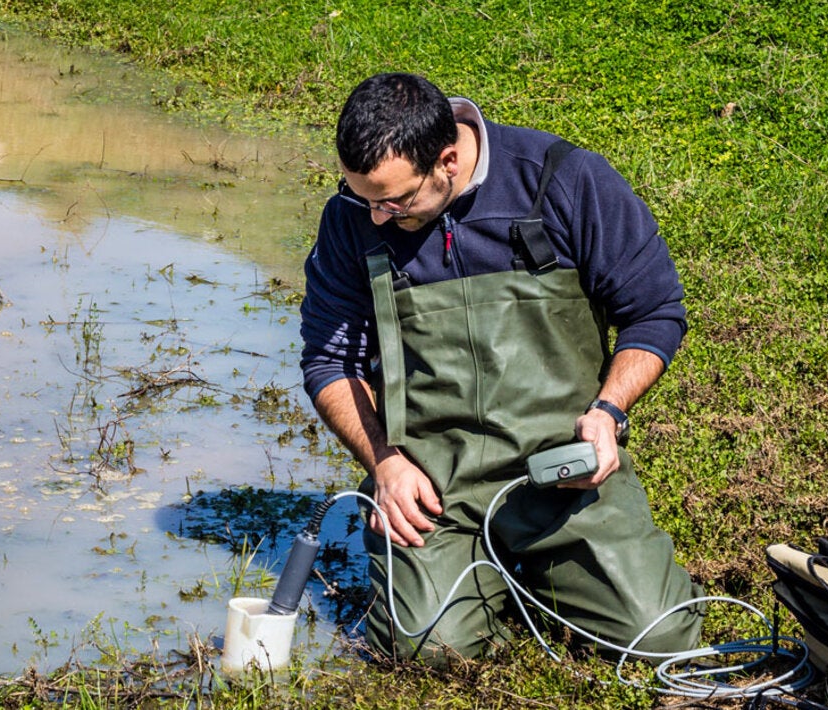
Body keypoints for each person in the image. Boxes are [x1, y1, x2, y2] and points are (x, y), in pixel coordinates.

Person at [299, 72, 701, 663]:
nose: (377, 217)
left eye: (395, 200)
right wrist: (384, 462)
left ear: (448, 160)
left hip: (559, 474)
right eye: (364, 198)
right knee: (429, 652)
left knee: (660, 640)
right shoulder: (350, 218)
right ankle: (476, 576)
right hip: (433, 484)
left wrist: (608, 412)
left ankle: (536, 573)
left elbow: (655, 313)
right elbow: (330, 360)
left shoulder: (563, 177)